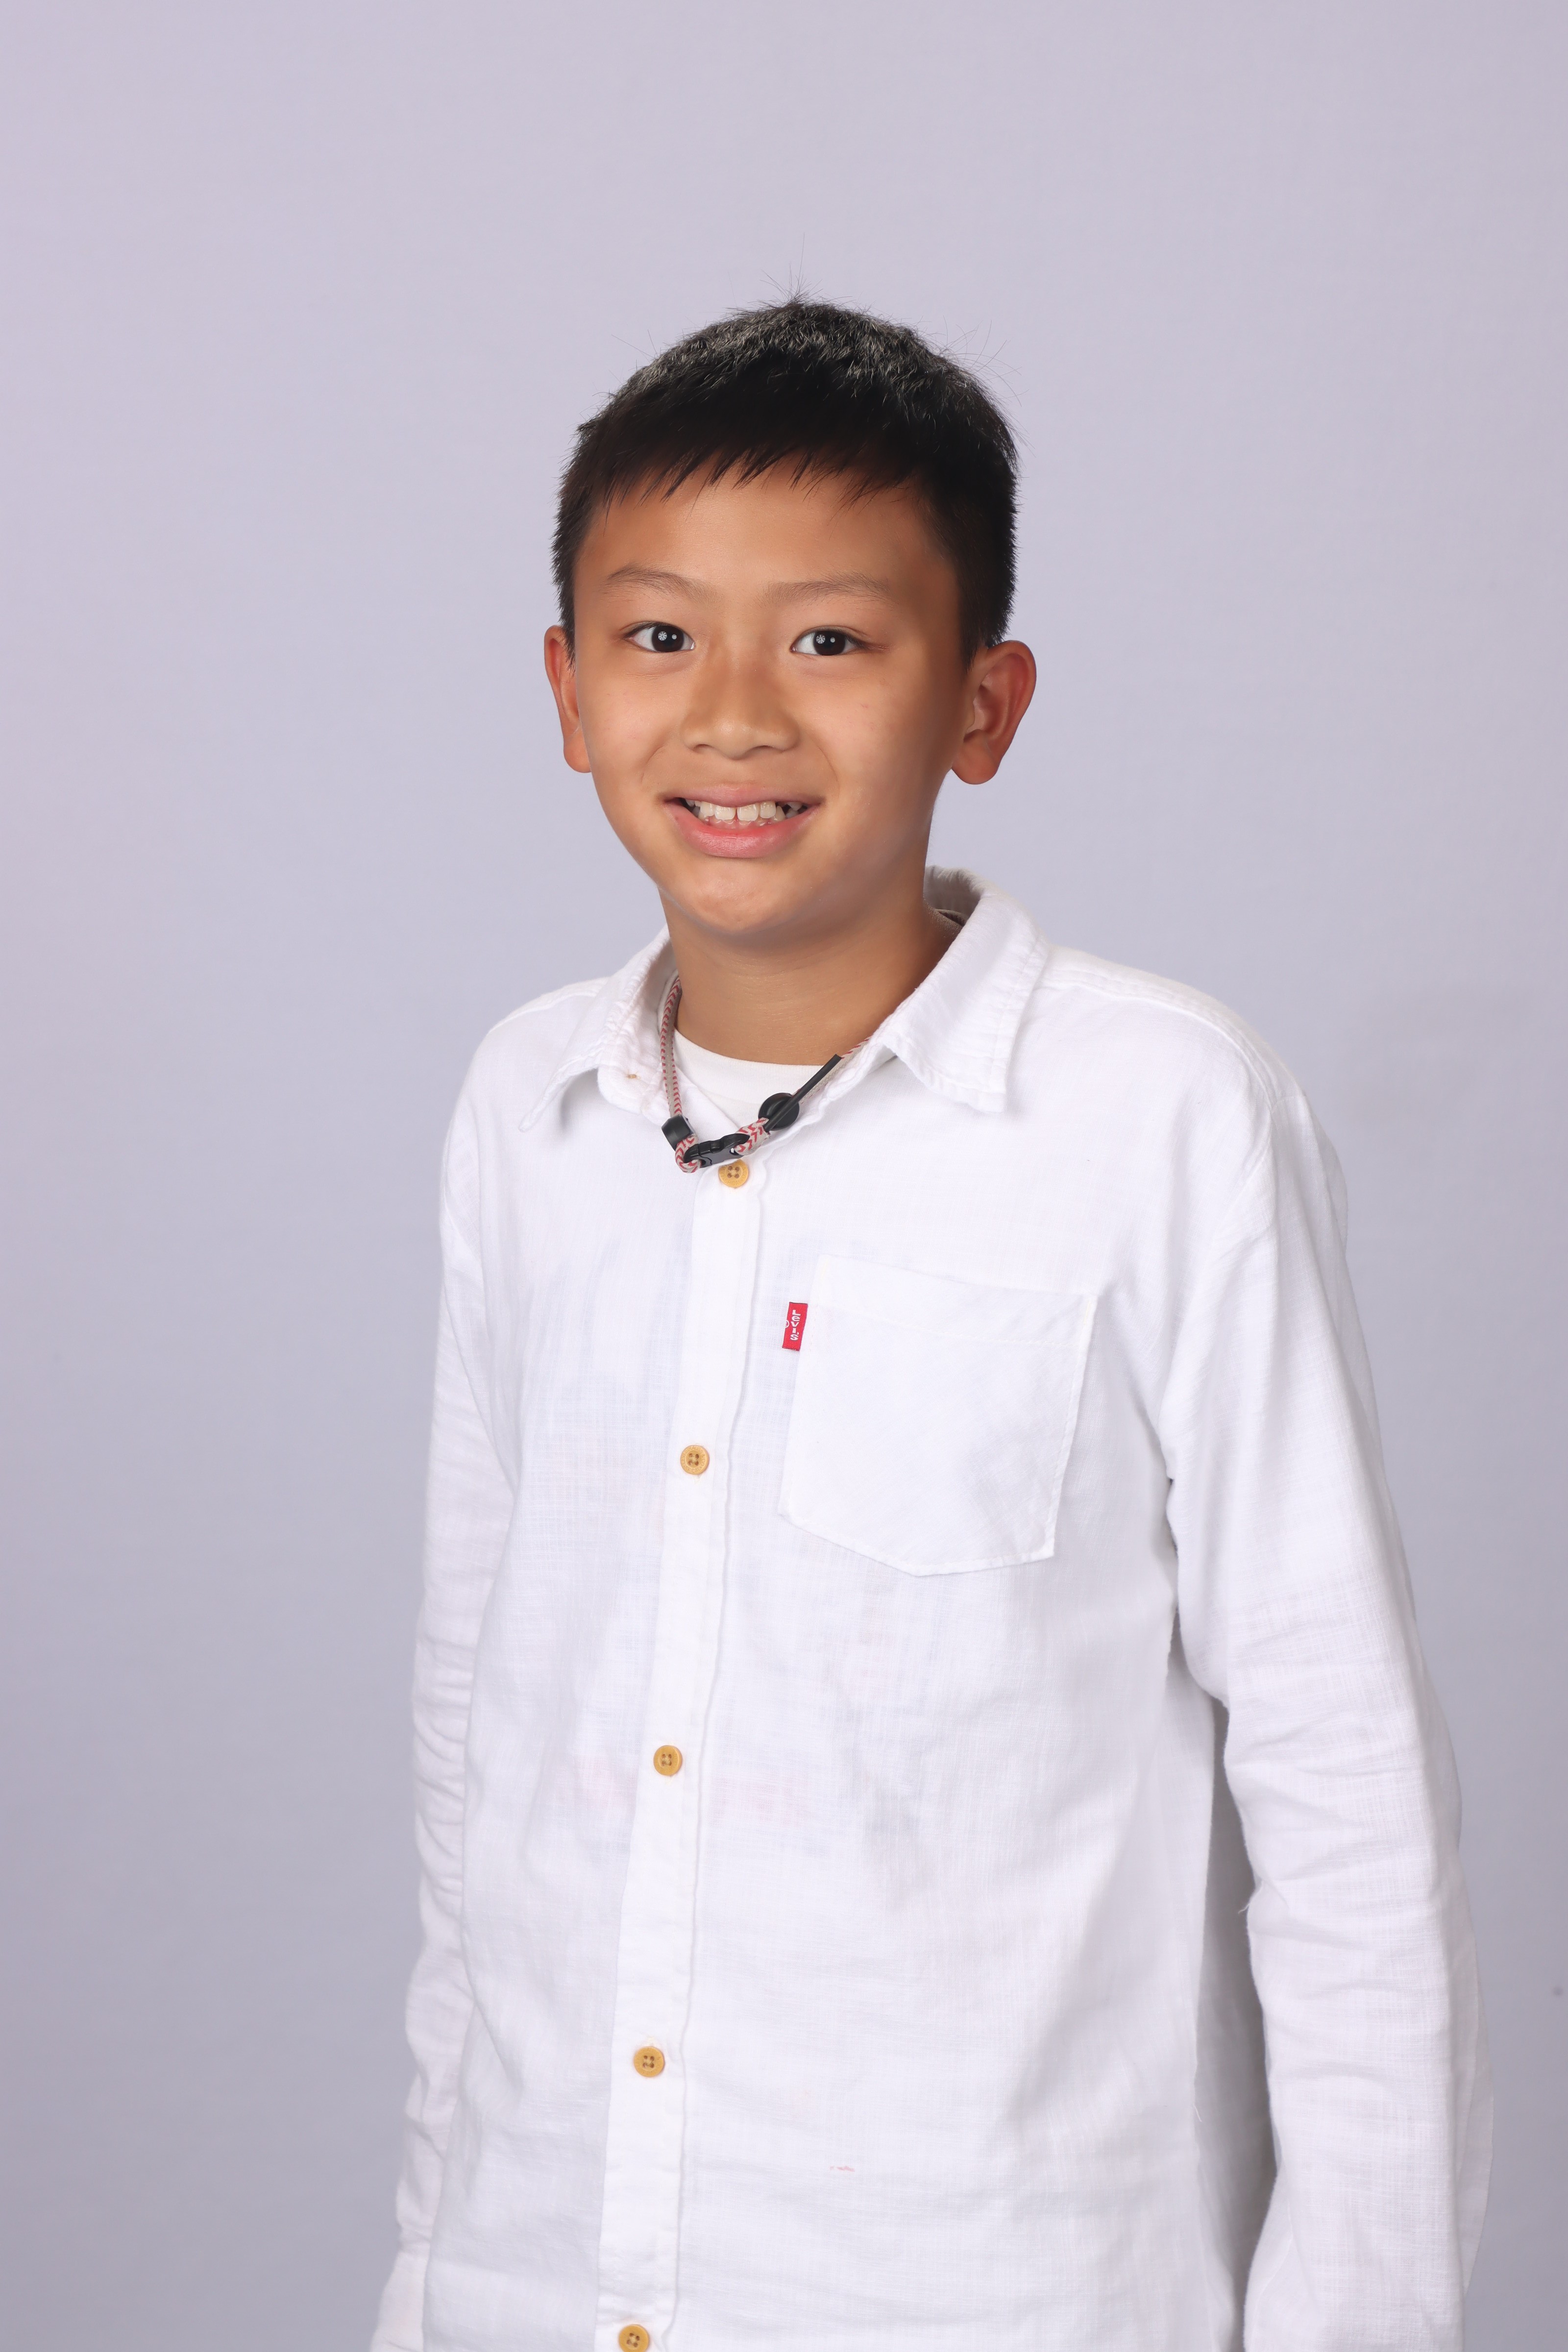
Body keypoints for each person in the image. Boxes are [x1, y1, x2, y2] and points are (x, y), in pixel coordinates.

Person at [371, 299, 1489, 2352]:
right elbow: (483, 1751)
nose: (731, 717)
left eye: (828, 640)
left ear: (982, 703)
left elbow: (1345, 1802)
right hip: (552, 2286)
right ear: (565, 689)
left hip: (996, 2290)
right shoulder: (525, 1112)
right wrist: (438, 2279)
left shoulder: (1161, 1119)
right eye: (656, 636)